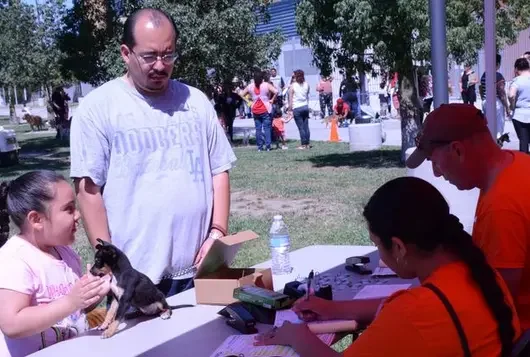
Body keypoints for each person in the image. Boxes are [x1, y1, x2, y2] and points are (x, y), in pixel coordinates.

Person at [70, 8, 237, 298]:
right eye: (149, 56)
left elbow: (219, 170)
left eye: (168, 55)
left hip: (199, 270)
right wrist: (112, 264)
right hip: (137, 278)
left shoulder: (196, 102)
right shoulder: (98, 108)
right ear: (126, 53)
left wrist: (217, 233)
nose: (160, 65)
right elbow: (88, 191)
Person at [255, 176, 520, 356]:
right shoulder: (479, 274)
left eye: (377, 245)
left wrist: (298, 337)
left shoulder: (415, 311)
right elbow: (394, 308)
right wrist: (332, 309)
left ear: (399, 247)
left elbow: (404, 315)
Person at [406, 103, 530, 330]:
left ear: (458, 151)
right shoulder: (518, 163)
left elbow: (496, 302)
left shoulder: (502, 207)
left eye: (435, 162)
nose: (436, 173)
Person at [0, 170, 110, 357]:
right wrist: (71, 301)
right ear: (36, 220)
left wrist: (91, 294)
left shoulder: (65, 253)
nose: (78, 215)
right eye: (69, 209)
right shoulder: (14, 259)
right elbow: (11, 324)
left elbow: (73, 313)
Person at [239, 70, 278, 151]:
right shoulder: (266, 85)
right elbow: (276, 91)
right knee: (267, 128)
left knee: (258, 129)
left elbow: (242, 94)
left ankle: (259, 147)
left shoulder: (250, 86)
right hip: (265, 109)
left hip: (255, 110)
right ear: (262, 77)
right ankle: (268, 146)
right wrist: (272, 100)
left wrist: (249, 102)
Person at [479, 53, 509, 138]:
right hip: (496, 103)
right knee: (499, 127)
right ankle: (497, 145)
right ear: (498, 64)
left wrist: (483, 99)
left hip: (485, 102)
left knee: (489, 125)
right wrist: (507, 107)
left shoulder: (484, 75)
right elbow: (502, 92)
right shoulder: (498, 76)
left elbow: (481, 88)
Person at [508, 58, 530, 153]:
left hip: (519, 115)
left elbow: (511, 95)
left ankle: (525, 165)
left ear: (516, 69)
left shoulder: (516, 81)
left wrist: (511, 106)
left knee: (523, 141)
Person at [289, 69, 311, 150]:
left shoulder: (293, 86)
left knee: (301, 128)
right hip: (305, 106)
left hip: (297, 108)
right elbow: (307, 94)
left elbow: (290, 99)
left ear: (296, 76)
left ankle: (303, 144)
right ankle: (308, 144)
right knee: (306, 127)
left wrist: (290, 109)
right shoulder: (307, 84)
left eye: (293, 76)